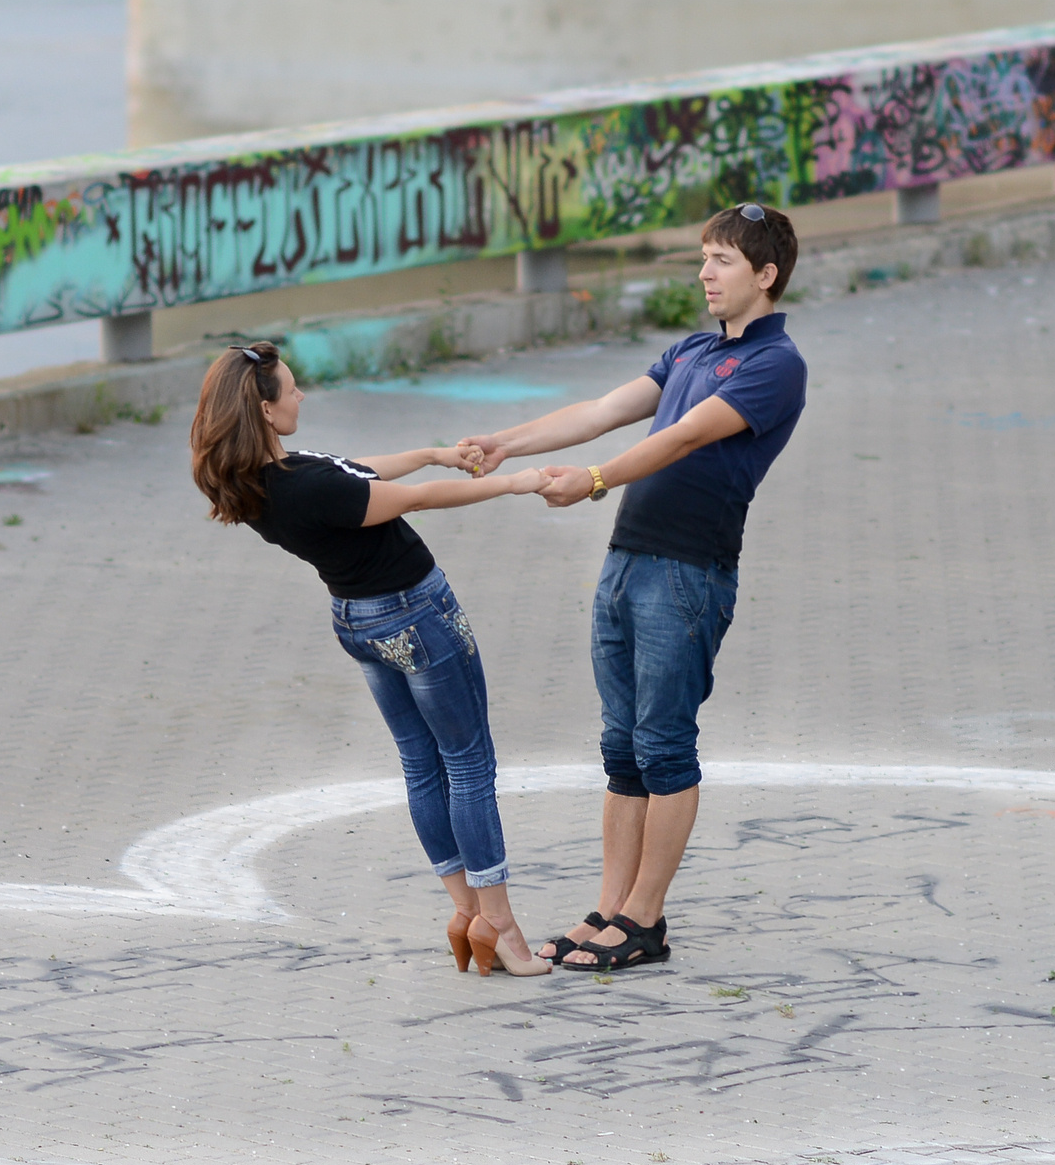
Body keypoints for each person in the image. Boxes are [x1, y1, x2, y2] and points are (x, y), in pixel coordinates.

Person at [458, 203, 809, 971]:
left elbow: (681, 436)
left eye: (721, 259)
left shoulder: (775, 366)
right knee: (622, 747)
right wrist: (504, 441)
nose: (705, 272)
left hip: (689, 571)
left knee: (663, 745)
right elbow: (603, 410)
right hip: (628, 561)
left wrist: (590, 480)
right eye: (704, 257)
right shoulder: (690, 350)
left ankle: (646, 920)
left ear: (766, 274)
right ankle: (611, 908)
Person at [189, 340, 555, 977]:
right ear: (266, 410)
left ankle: (465, 911)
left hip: (359, 620)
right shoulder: (309, 489)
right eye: (293, 389)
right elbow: (412, 499)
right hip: (416, 616)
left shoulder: (263, 478)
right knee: (468, 765)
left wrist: (433, 451)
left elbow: (355, 470)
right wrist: (513, 483)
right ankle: (502, 924)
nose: (302, 395)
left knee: (422, 764)